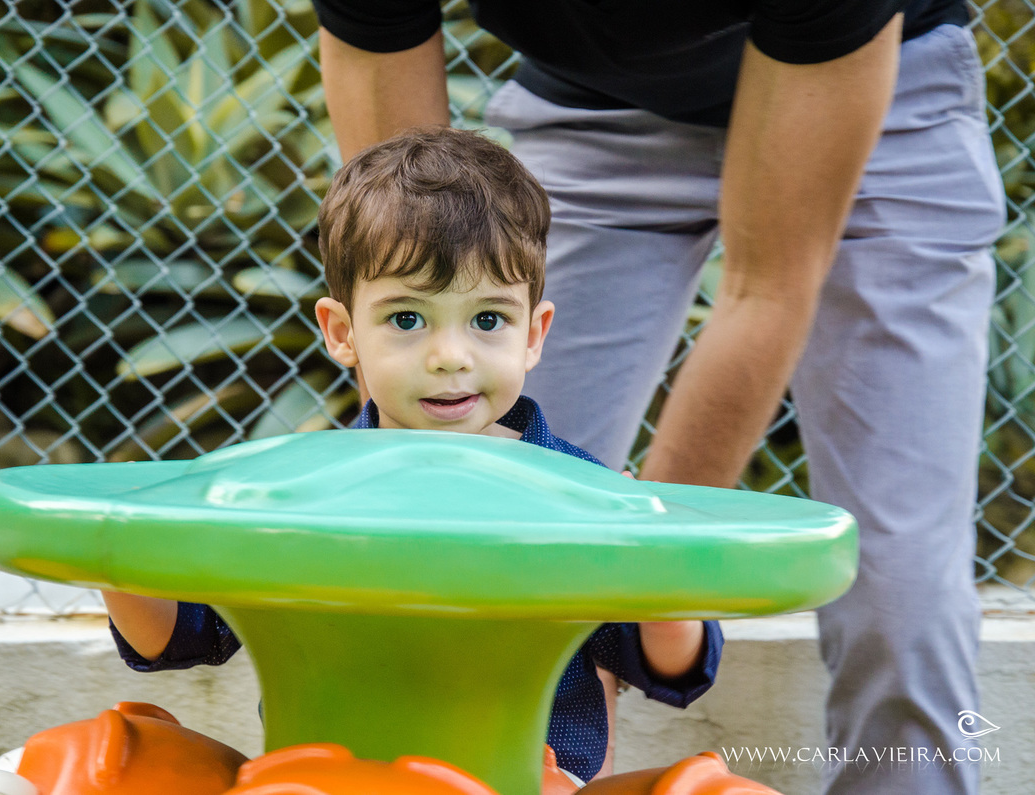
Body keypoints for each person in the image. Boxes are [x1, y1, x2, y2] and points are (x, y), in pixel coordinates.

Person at [310, 2, 1006, 794]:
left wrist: (645, 562)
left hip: (876, 103)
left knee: (898, 587)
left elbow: (768, 288)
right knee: (506, 538)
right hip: (595, 110)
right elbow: (393, 274)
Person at [104, 128, 724, 784]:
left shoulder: (574, 496)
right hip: (328, 778)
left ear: (533, 334)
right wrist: (110, 545)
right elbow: (174, 636)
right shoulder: (301, 492)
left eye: (487, 320)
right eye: (407, 319)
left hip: (521, 780)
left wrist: (659, 563)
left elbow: (671, 663)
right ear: (343, 333)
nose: (450, 356)